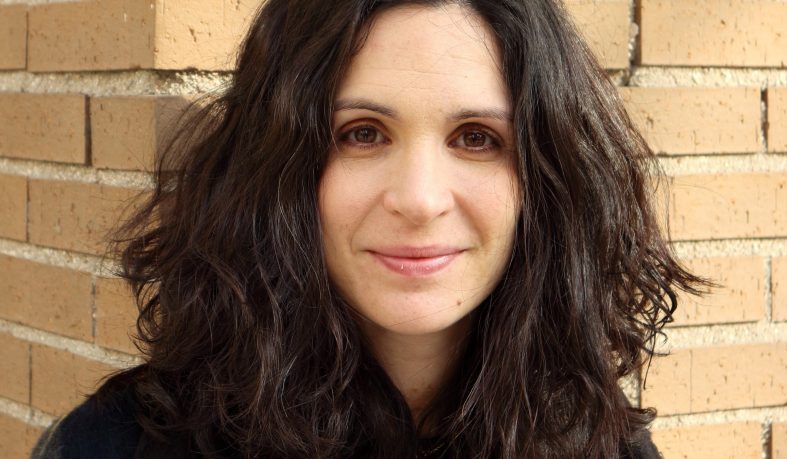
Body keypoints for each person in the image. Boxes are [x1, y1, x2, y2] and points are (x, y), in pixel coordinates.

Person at [31, 0, 707, 458]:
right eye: (361, 133)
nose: (418, 200)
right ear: (277, 169)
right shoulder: (115, 445)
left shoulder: (603, 443)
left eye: (476, 137)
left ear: (548, 184)